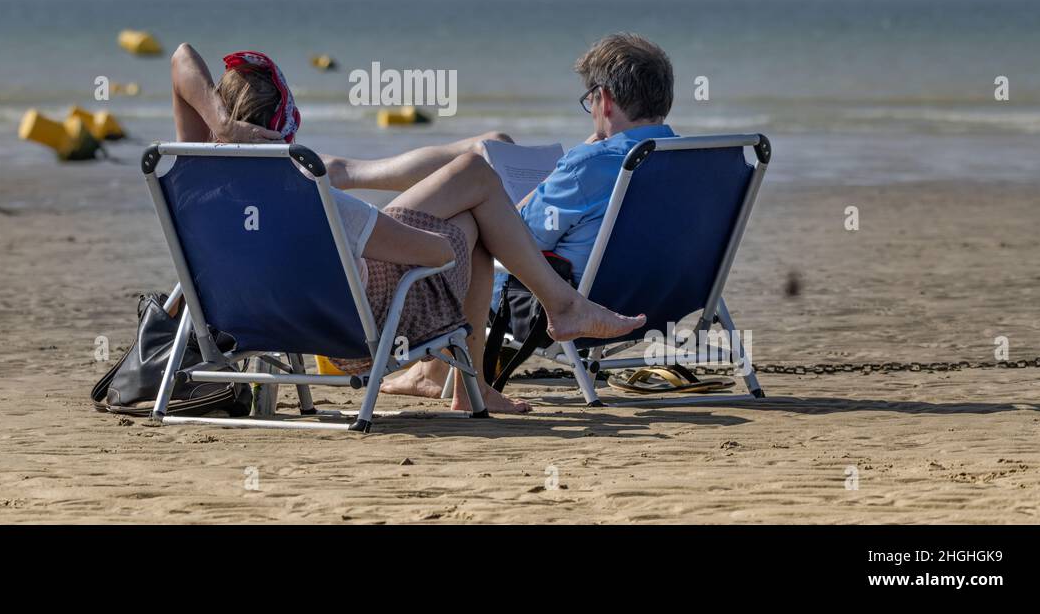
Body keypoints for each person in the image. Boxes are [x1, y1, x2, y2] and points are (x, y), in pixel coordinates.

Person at [168, 42, 647, 414]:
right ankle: (522, 338)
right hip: (353, 337)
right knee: (476, 194)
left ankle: (491, 363)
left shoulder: (195, 191)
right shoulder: (326, 209)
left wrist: (220, 125)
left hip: (243, 325)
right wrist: (463, 224)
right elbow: (436, 254)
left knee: (477, 173)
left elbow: (181, 59)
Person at [385, 32, 677, 399]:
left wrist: (507, 197)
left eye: (590, 100)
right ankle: (431, 373)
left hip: (553, 301)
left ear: (603, 100)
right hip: (664, 300)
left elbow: (514, 236)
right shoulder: (688, 159)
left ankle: (432, 371)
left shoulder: (590, 166)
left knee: (469, 221)